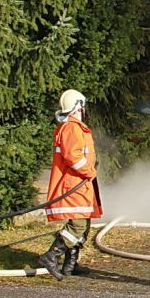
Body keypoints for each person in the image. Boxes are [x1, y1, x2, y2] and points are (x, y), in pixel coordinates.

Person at [37, 89, 102, 280]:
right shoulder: (72, 128)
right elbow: (73, 156)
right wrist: (89, 171)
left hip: (80, 184)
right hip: (74, 185)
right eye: (82, 106)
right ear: (77, 107)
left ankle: (70, 264)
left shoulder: (74, 127)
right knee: (77, 225)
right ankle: (51, 256)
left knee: (84, 223)